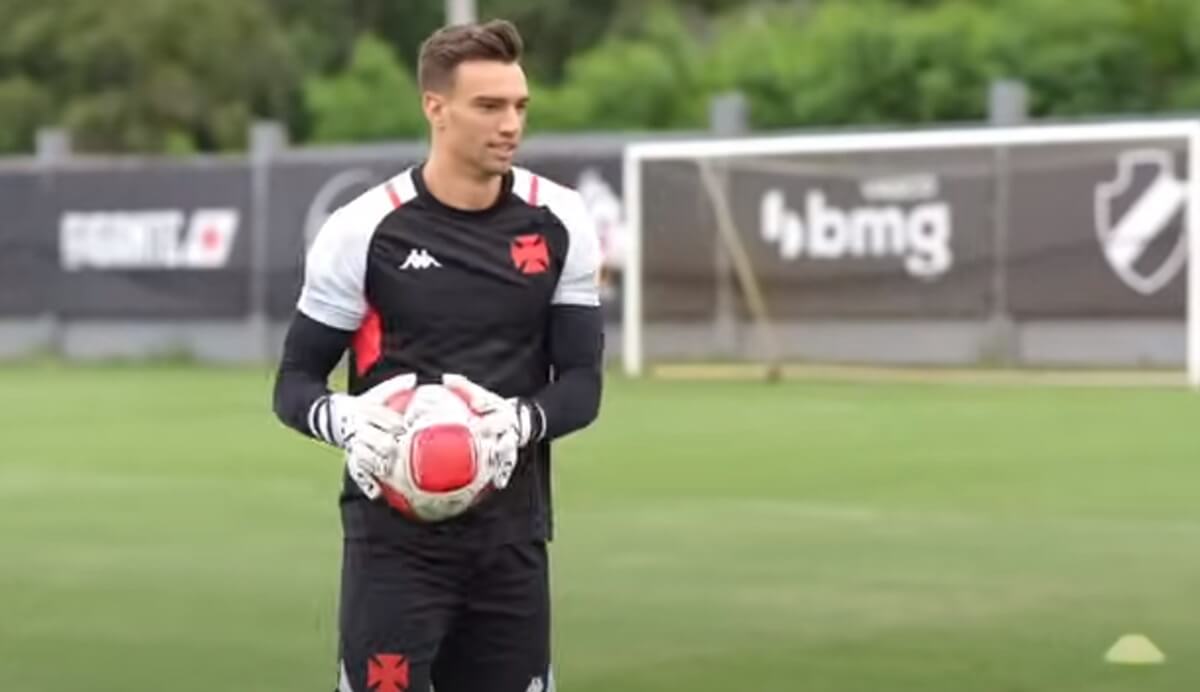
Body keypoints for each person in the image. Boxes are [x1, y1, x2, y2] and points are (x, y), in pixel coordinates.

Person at [271, 18, 603, 692]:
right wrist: (344, 420)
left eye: (519, 106)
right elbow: (295, 383)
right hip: (393, 546)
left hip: (511, 539)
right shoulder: (363, 228)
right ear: (435, 107)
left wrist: (517, 424)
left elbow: (582, 384)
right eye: (489, 106)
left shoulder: (561, 220)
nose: (510, 123)